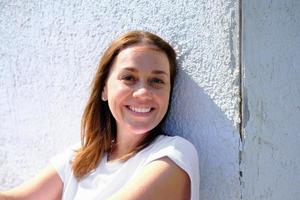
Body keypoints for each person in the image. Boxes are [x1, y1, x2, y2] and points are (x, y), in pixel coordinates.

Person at [0, 30, 199, 200]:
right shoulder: (82, 157)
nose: (143, 93)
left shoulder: (175, 153)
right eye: (129, 78)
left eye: (157, 81)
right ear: (104, 89)